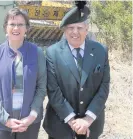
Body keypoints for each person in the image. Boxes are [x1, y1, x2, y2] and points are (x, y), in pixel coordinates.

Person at [43, 2, 110, 139]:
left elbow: (104, 87)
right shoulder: (52, 53)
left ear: (87, 29)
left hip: (91, 125)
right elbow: (53, 90)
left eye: (79, 27)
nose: (75, 32)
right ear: (64, 30)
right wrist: (72, 121)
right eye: (71, 28)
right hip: (60, 126)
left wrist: (87, 120)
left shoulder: (100, 51)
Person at [0, 7, 46, 139]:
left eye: (20, 24)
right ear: (6, 27)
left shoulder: (37, 53)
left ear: (26, 28)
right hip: (1, 124)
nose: (16, 28)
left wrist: (32, 116)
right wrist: (5, 119)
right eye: (12, 24)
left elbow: (41, 87)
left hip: (29, 124)